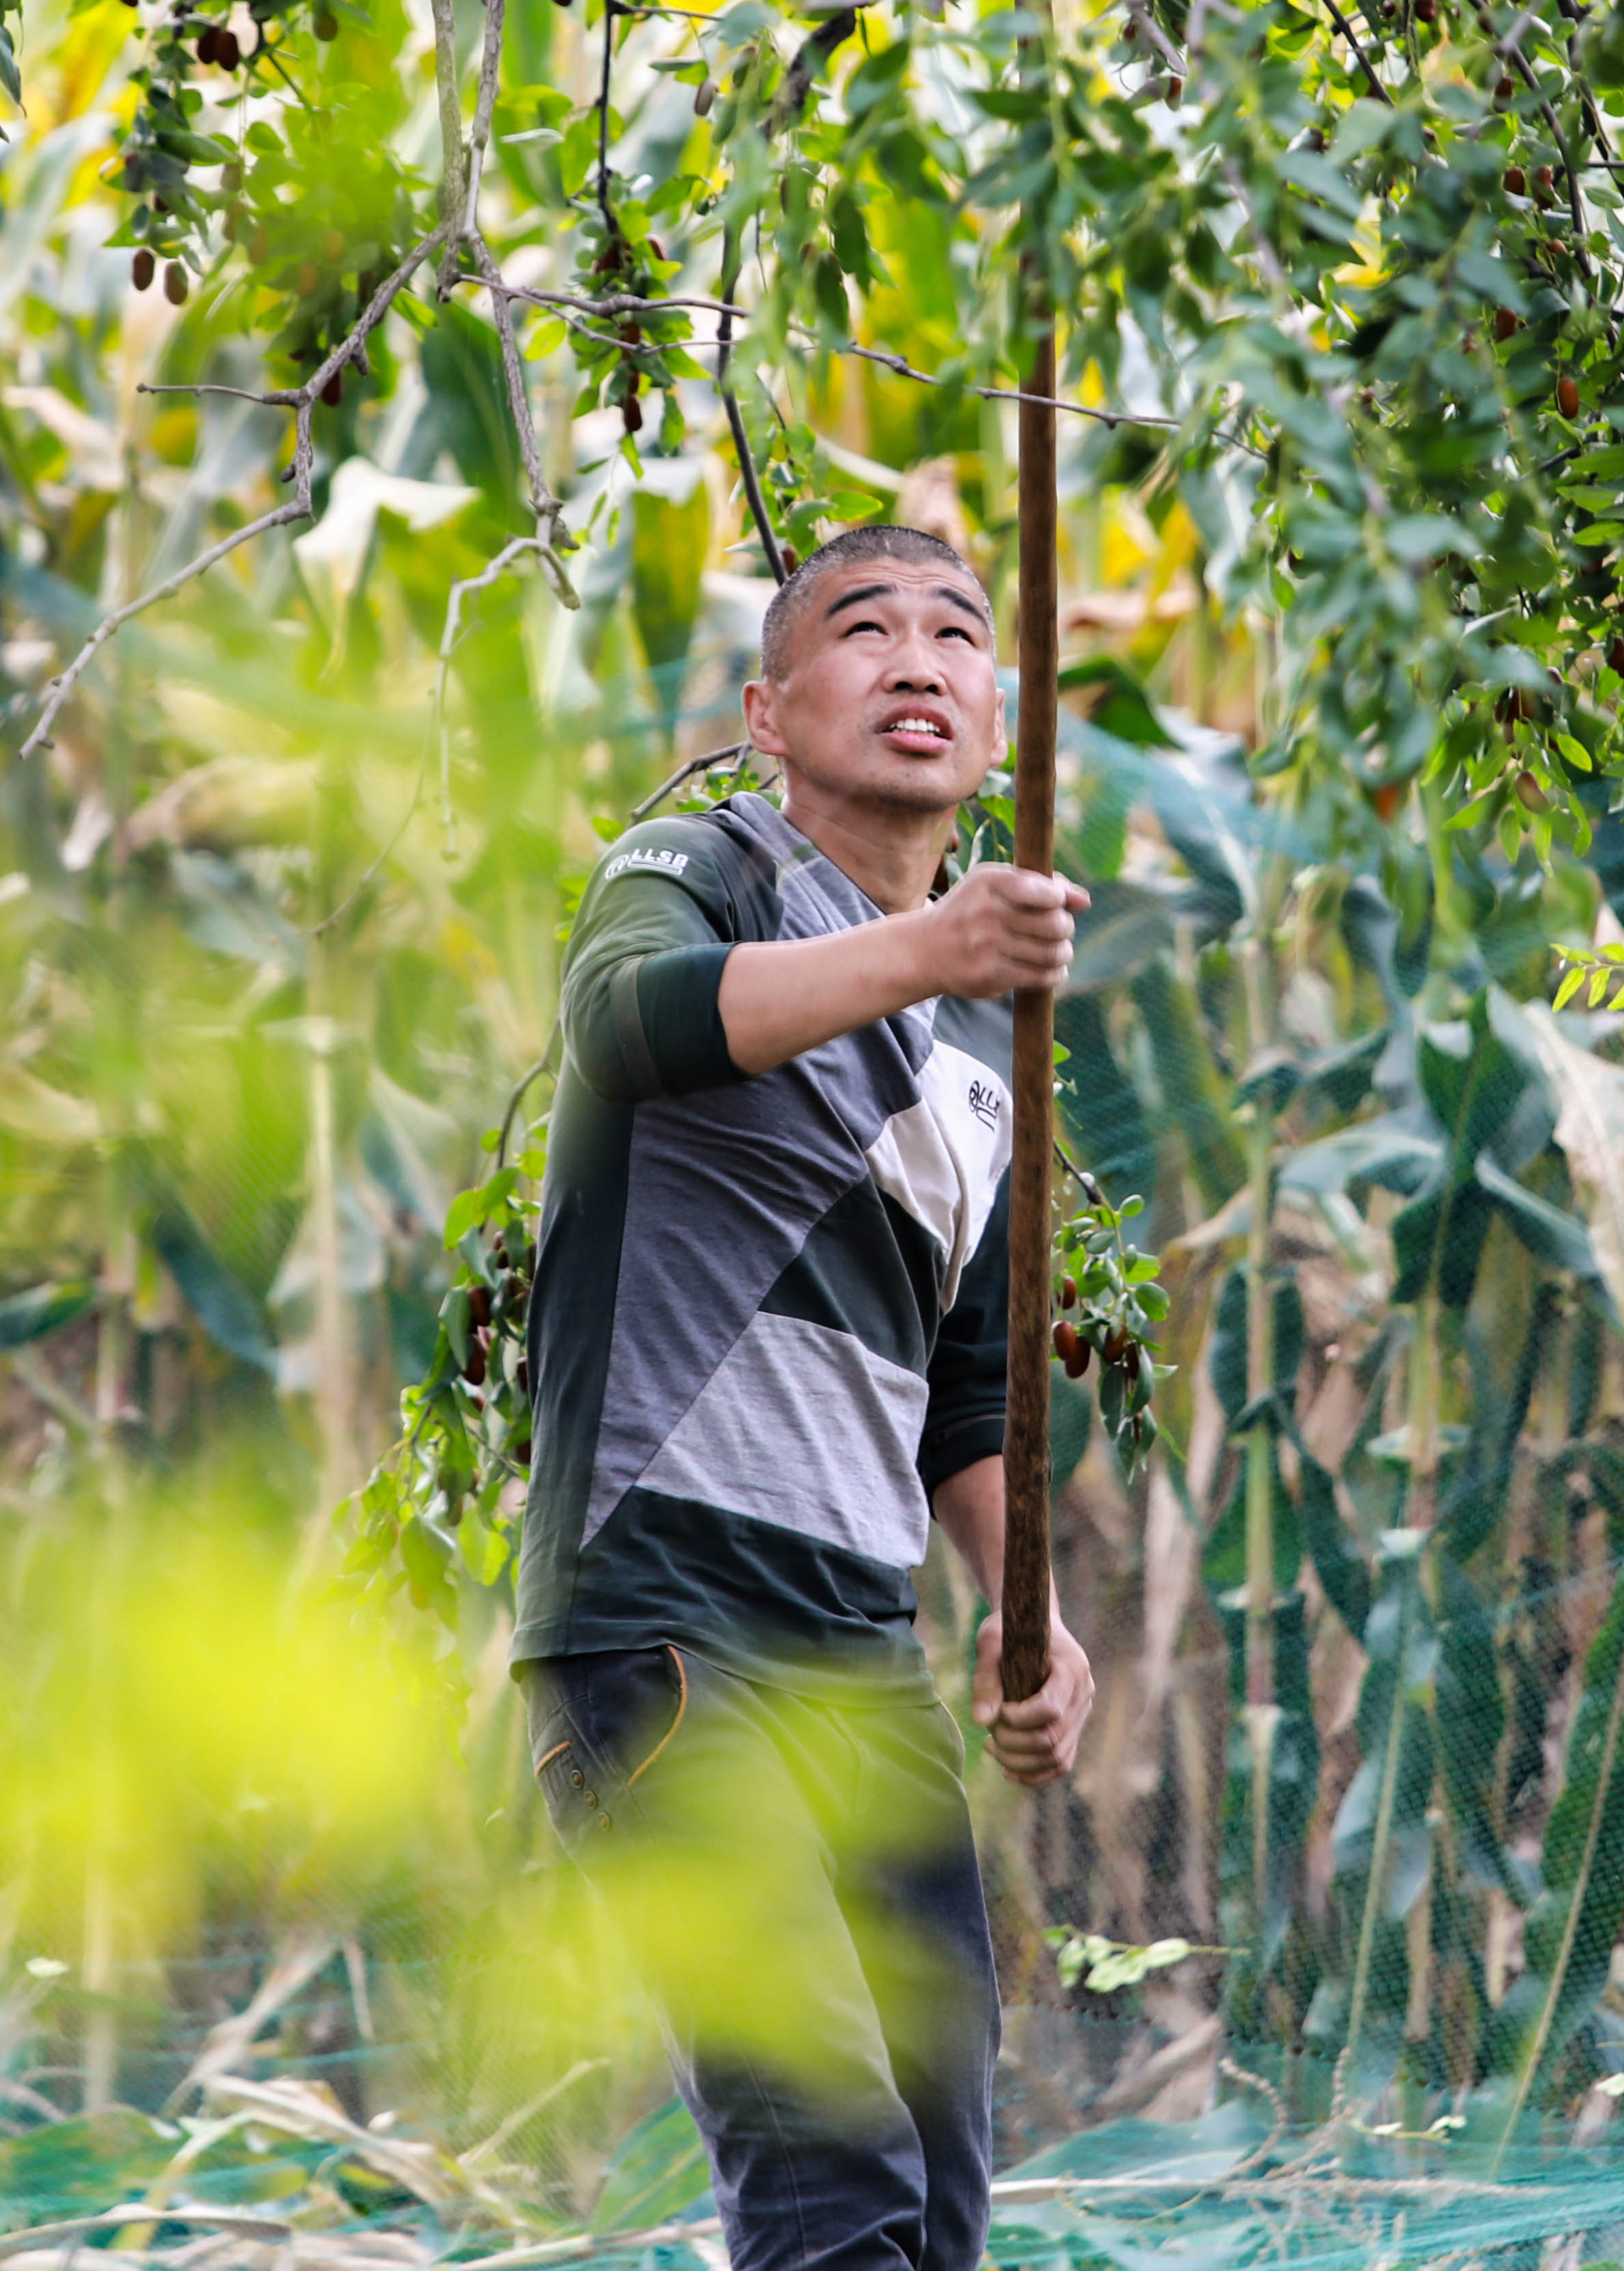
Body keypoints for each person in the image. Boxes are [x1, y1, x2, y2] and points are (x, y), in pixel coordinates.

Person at [515, 517, 1099, 2271]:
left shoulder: (993, 1054)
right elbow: (626, 1023)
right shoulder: (700, 867)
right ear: (770, 711)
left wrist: (1032, 1616)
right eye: (864, 630)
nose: (917, 661)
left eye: (956, 635)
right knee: (828, 2174)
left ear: (996, 722)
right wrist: (930, 954)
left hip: (867, 1670)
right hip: (672, 1634)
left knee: (934, 2207)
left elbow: (968, 1390)